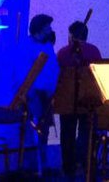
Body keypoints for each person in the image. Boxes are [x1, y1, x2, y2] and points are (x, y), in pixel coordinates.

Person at [55, 20, 102, 179]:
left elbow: (58, 76)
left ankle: (68, 168)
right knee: (87, 134)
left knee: (67, 134)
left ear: (71, 36)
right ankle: (87, 165)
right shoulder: (94, 51)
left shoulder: (63, 53)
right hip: (89, 99)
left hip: (66, 100)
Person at [17, 13, 59, 163]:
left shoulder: (47, 46)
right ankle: (31, 163)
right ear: (40, 28)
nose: (50, 29)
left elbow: (53, 69)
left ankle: (43, 162)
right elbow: (23, 73)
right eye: (48, 26)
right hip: (33, 95)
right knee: (32, 129)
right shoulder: (26, 46)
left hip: (47, 94)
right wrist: (31, 93)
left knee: (44, 129)